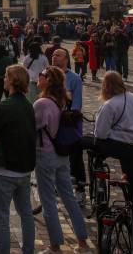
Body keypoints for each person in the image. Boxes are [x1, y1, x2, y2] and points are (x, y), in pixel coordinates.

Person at [33, 66, 91, 254]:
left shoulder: (42, 103)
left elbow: (33, 127)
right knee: (68, 197)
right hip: (62, 153)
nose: (38, 78)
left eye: (41, 75)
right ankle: (82, 242)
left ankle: (55, 245)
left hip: (46, 154)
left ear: (48, 80)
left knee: (48, 200)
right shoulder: (64, 99)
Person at [0, 65, 36, 254]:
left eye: (6, 76)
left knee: (1, 218)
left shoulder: (4, 106)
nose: (3, 79)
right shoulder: (28, 105)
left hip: (5, 167)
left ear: (13, 81)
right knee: (26, 213)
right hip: (24, 168)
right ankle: (29, 250)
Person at [93, 71, 133, 203]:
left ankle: (93, 179)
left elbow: (100, 133)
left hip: (120, 146)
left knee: (86, 142)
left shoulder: (109, 105)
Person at [51, 48, 86, 199]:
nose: (54, 57)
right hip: (52, 123)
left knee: (75, 155)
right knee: (54, 156)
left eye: (58, 55)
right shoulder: (48, 76)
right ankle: (58, 184)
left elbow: (77, 104)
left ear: (66, 59)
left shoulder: (74, 78)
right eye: (53, 55)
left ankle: (80, 188)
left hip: (69, 122)